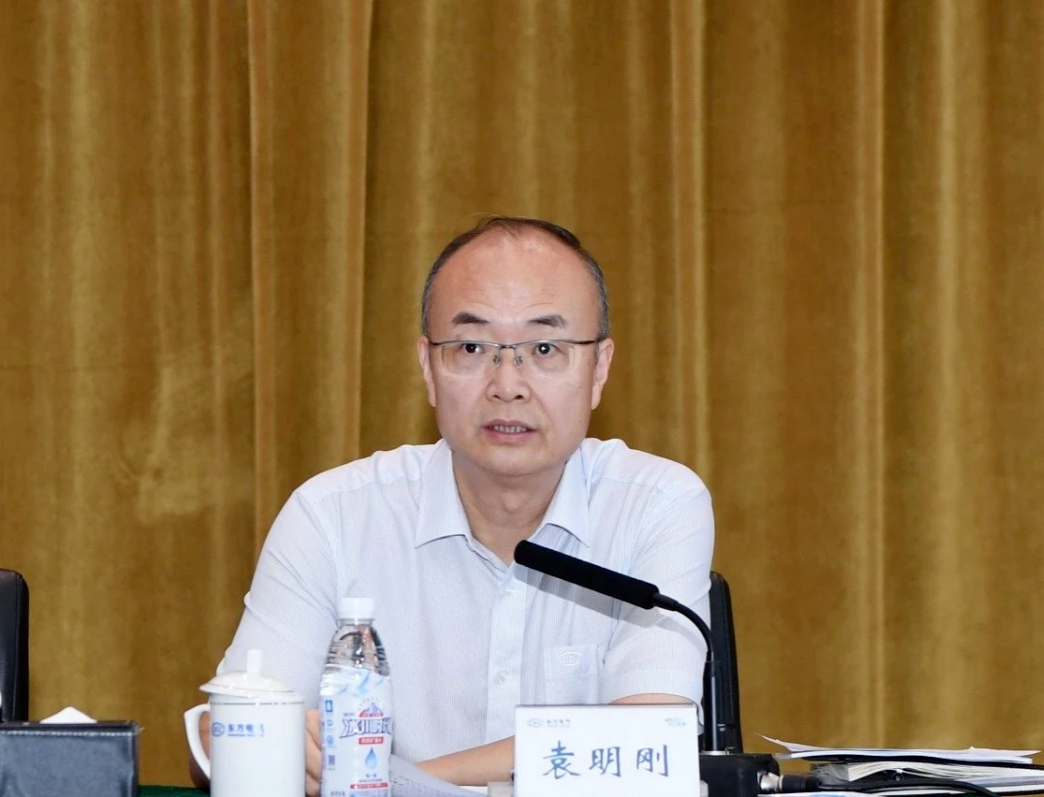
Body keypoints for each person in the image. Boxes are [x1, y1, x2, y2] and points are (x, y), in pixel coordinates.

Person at [190, 216, 714, 794]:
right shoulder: (332, 516)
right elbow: (231, 730)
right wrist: (258, 744)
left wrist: (376, 782)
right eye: (471, 347)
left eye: (545, 348)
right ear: (428, 368)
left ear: (599, 368)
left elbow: (647, 743)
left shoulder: (657, 504)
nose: (507, 384)